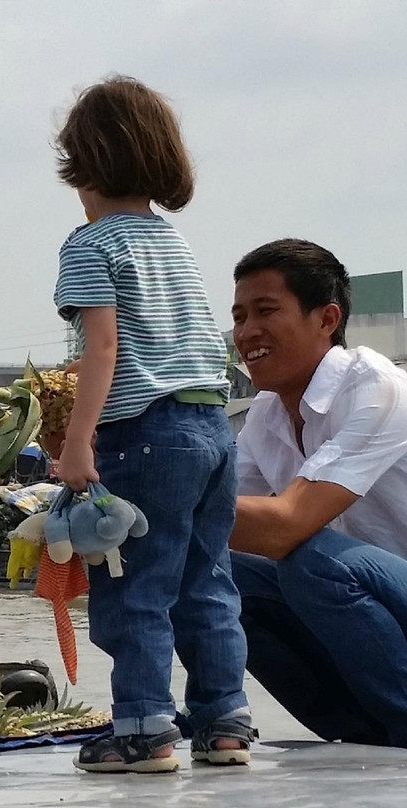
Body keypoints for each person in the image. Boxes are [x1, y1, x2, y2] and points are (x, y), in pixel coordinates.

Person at [51, 76, 254, 772]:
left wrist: (78, 441)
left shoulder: (89, 245)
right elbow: (171, 344)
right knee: (206, 583)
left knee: (134, 585)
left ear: (84, 162)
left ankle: (143, 729)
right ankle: (224, 721)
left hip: (144, 434)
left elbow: (103, 347)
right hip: (211, 430)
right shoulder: (173, 242)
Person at [230, 238, 407, 747]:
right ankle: (357, 735)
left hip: (386, 591)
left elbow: (285, 524)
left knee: (313, 559)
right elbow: (224, 525)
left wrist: (157, 501)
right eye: (239, 317)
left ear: (327, 319)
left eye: (266, 311)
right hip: (381, 613)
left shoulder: (375, 387)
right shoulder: (264, 415)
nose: (246, 333)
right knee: (217, 574)